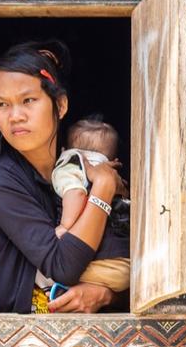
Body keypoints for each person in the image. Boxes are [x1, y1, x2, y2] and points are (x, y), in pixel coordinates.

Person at [0, 40, 129, 313]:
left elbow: (133, 266)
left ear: (60, 105)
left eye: (28, 100)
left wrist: (106, 294)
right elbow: (64, 266)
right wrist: (103, 187)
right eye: (1, 104)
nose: (15, 116)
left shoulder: (83, 168)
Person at [52, 116, 131, 292]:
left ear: (64, 150)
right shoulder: (116, 179)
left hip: (93, 267)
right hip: (127, 269)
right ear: (115, 161)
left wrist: (66, 226)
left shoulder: (70, 165)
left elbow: (77, 193)